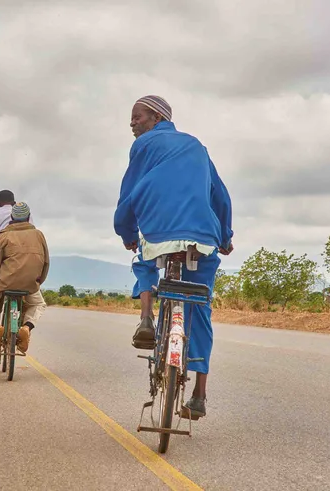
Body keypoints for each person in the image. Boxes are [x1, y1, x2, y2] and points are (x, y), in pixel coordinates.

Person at [113, 95, 234, 419]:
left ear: (156, 117)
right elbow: (219, 195)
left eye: (137, 117)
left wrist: (125, 232)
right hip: (202, 237)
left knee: (144, 261)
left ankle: (147, 319)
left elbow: (130, 191)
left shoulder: (145, 146)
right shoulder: (197, 147)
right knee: (201, 305)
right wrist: (225, 236)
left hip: (157, 233)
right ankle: (199, 395)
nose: (132, 123)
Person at [0, 202, 49, 366]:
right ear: (28, 217)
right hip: (30, 284)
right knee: (39, 304)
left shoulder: (1, 237)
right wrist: (36, 282)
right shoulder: (39, 235)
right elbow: (45, 264)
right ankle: (27, 328)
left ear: (12, 218)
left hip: (4, 285)